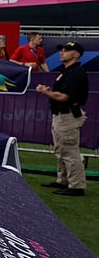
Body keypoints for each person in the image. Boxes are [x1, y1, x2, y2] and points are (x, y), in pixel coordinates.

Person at [37, 41, 89, 196]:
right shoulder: (67, 72)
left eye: (66, 51)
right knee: (61, 150)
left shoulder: (76, 73)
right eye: (62, 50)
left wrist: (46, 92)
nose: (62, 53)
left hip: (68, 116)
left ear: (76, 54)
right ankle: (63, 180)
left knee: (69, 151)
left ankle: (77, 186)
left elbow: (64, 96)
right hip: (61, 115)